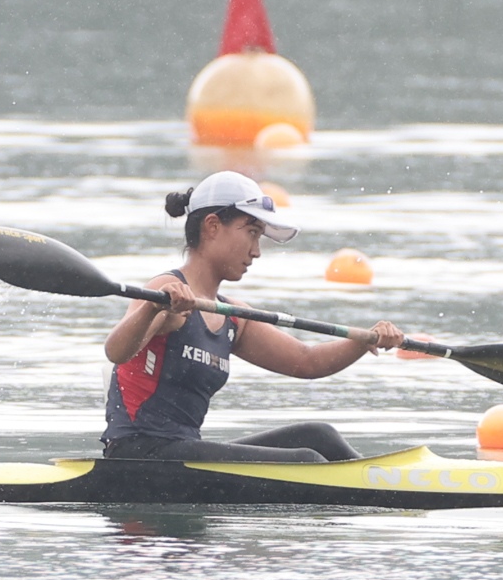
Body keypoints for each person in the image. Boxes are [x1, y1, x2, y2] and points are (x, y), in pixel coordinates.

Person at [102, 170, 401, 464]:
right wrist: (154, 308)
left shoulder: (234, 317)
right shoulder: (165, 290)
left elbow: (307, 361)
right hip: (138, 456)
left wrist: (364, 341)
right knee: (305, 460)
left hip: (184, 454)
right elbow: (116, 351)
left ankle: (387, 480)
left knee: (319, 437)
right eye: (252, 233)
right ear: (212, 226)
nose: (256, 251)